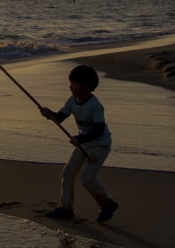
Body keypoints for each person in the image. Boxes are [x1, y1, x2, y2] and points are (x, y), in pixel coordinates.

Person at [40, 64, 118, 222]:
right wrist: (48, 114)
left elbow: (98, 130)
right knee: (67, 174)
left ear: (86, 86)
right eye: (71, 83)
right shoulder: (72, 101)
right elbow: (60, 117)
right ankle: (66, 207)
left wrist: (80, 139)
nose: (71, 87)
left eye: (74, 84)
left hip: (99, 145)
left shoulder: (95, 105)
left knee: (87, 178)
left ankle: (107, 204)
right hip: (83, 143)